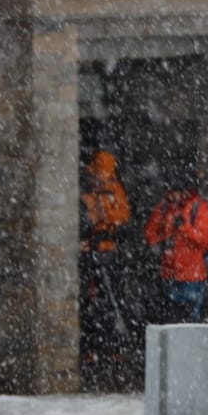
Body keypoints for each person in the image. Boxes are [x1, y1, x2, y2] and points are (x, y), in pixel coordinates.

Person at [144, 168, 208, 323]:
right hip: (170, 273)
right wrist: (163, 242)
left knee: (190, 322)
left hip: (192, 275)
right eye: (169, 191)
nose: (171, 196)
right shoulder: (165, 207)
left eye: (175, 191)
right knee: (173, 320)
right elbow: (150, 233)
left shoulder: (199, 208)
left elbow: (202, 239)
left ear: (184, 191)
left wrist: (184, 227)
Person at [79, 150, 132, 381]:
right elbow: (86, 219)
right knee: (91, 303)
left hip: (108, 255)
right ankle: (92, 347)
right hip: (91, 254)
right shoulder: (88, 193)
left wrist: (108, 226)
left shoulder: (115, 190)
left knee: (112, 303)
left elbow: (123, 217)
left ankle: (112, 347)